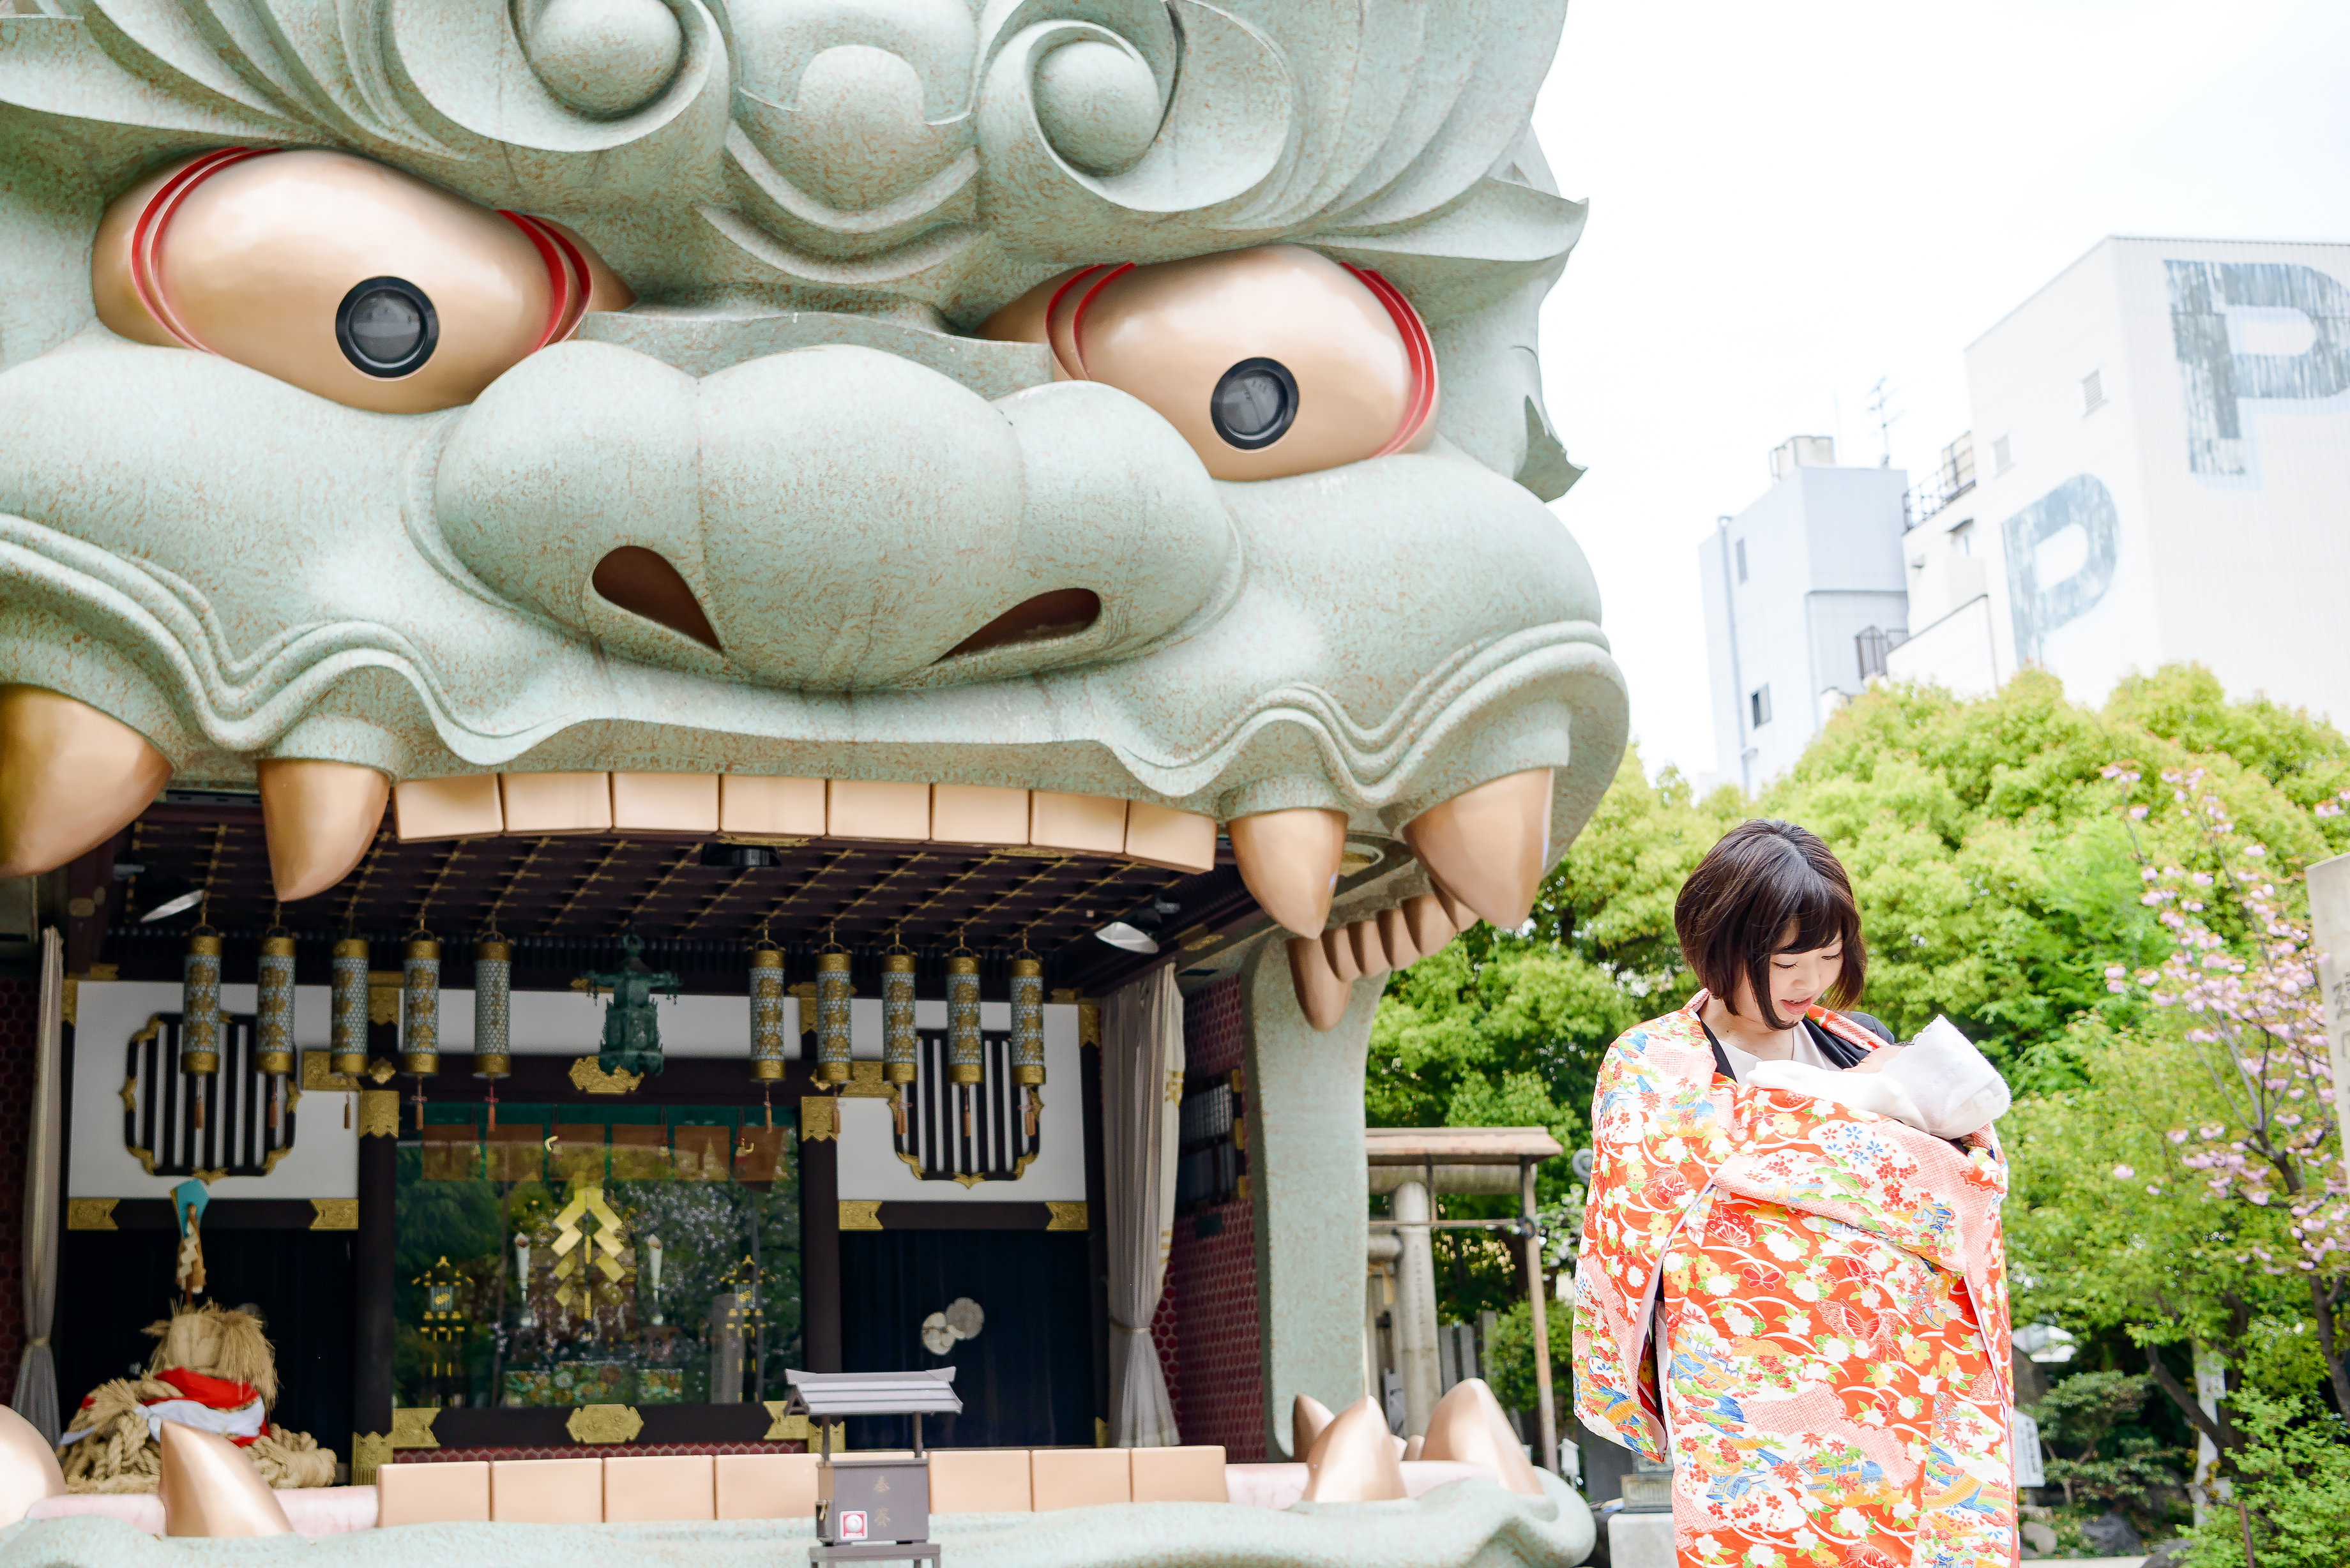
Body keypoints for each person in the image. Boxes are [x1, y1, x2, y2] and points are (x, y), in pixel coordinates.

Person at [1570, 818, 2017, 1568]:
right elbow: (1656, 1204)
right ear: (1716, 944)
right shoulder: (1650, 1061)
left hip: (1908, 1380)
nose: (1808, 981)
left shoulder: (1862, 1042)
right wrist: (1862, 1123)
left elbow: (1965, 1177)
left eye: (1828, 955)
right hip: (1754, 1401)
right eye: (1785, 961)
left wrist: (1816, 1129)